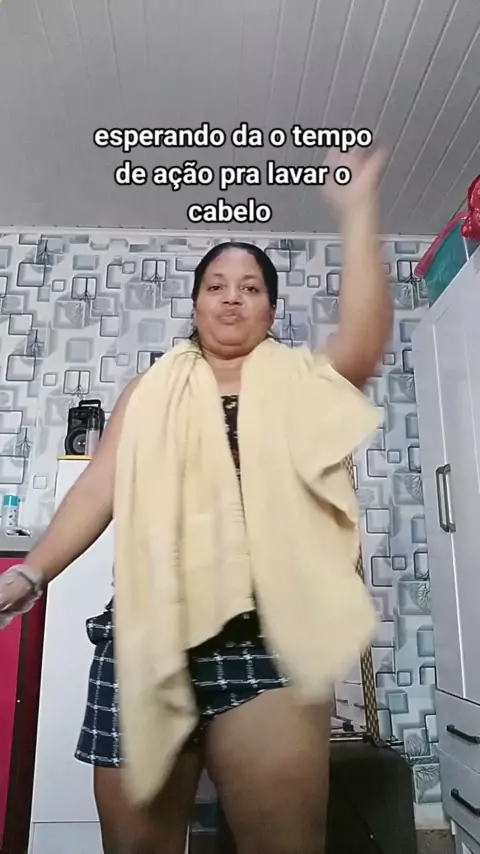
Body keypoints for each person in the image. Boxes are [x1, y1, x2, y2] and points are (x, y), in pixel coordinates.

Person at [0, 146, 392, 854]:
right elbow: (100, 485)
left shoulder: (302, 384)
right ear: (196, 302)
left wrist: (359, 209)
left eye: (250, 287)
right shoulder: (150, 391)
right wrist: (33, 572)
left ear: (271, 308)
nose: (232, 297)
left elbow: (361, 344)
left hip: (267, 638)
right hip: (144, 634)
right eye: (216, 284)